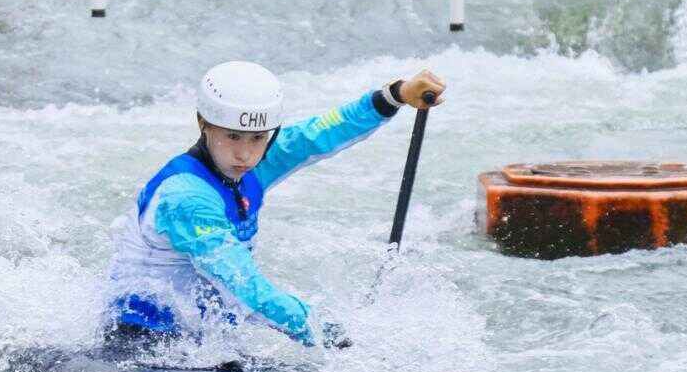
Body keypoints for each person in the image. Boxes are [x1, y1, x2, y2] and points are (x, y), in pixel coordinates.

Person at [104, 60, 444, 351]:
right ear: (202, 124)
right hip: (143, 341)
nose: (245, 154)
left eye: (257, 138)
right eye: (232, 136)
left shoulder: (255, 163)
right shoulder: (186, 199)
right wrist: (332, 337)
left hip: (205, 341)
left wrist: (395, 95)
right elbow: (245, 286)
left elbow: (321, 132)